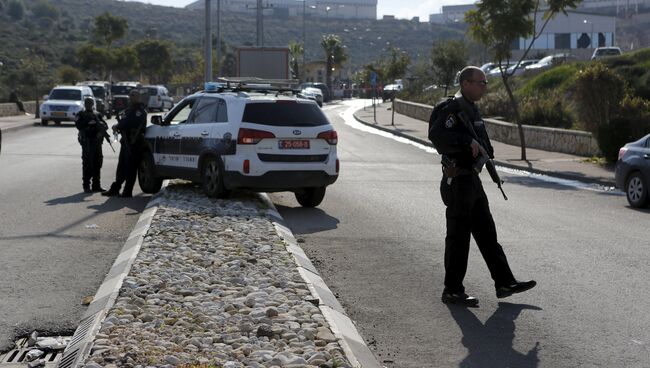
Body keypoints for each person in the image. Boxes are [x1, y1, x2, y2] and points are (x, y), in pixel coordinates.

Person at [428, 66, 536, 307]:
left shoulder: (471, 109)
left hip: (472, 179)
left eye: (485, 83)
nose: (484, 87)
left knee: (487, 233)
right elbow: (437, 137)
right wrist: (466, 141)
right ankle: (453, 290)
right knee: (458, 237)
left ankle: (504, 282)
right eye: (481, 82)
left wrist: (484, 151)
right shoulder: (450, 108)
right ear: (466, 83)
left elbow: (483, 142)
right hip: (458, 180)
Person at [102, 89, 146, 198]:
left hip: (134, 143)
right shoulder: (129, 110)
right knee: (121, 166)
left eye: (134, 96)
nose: (132, 97)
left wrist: (118, 126)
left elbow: (129, 123)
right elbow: (124, 121)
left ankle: (127, 191)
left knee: (131, 168)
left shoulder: (139, 111)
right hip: (126, 141)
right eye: (131, 95)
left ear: (139, 97)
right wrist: (118, 126)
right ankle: (115, 189)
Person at [75, 98, 107, 193]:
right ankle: (86, 185)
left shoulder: (97, 114)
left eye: (90, 103)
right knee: (87, 163)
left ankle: (96, 185)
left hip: (97, 142)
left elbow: (105, 125)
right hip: (87, 142)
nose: (89, 104)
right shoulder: (81, 114)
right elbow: (78, 125)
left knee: (98, 162)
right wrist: (88, 121)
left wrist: (100, 125)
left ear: (93, 104)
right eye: (87, 103)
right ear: (85, 104)